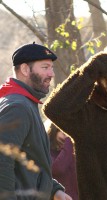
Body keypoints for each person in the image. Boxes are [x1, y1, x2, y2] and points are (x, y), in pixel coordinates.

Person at [0, 42, 72, 200]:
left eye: (51, 68)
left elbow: (31, 162)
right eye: (45, 67)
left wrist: (54, 190)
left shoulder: (25, 103)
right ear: (25, 69)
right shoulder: (18, 107)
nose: (51, 74)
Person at [46, 122, 79, 200]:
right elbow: (58, 168)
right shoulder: (47, 151)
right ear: (54, 131)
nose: (66, 134)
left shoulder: (72, 151)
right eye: (63, 131)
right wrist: (70, 139)